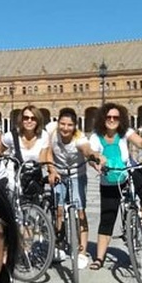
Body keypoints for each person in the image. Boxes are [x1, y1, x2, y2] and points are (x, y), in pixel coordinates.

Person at [88, 102, 142, 271]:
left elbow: (140, 142)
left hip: (128, 169)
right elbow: (91, 153)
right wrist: (97, 162)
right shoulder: (96, 136)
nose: (112, 120)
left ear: (121, 119)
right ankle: (99, 257)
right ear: (103, 118)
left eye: (115, 117)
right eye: (108, 117)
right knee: (107, 217)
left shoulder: (125, 132)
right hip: (109, 176)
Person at [45, 107, 94, 269]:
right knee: (58, 210)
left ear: (75, 126)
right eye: (62, 124)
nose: (65, 128)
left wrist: (94, 156)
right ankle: (59, 244)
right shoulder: (51, 130)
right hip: (58, 173)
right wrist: (52, 170)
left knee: (80, 211)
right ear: (57, 123)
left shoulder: (79, 138)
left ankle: (82, 251)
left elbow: (86, 149)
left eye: (69, 125)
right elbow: (48, 152)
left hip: (76, 175)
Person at [1, 105, 49, 196]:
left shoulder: (44, 136)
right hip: (15, 177)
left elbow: (43, 160)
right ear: (21, 120)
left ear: (38, 120)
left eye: (33, 118)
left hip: (34, 177)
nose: (29, 121)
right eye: (26, 118)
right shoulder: (11, 136)